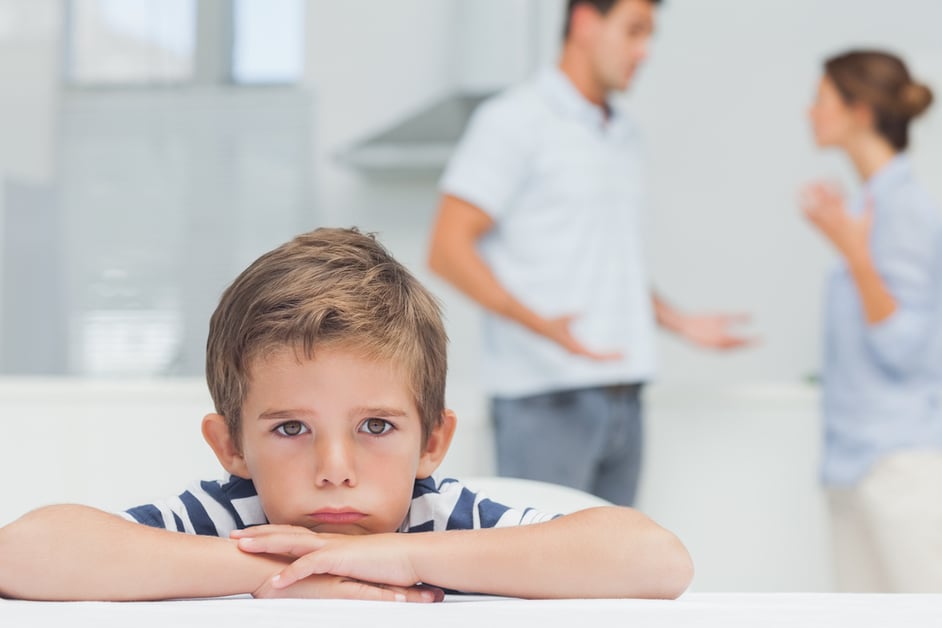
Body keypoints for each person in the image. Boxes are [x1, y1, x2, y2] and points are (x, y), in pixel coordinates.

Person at [0, 227, 693, 602]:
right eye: (291, 429)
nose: (335, 471)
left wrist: (402, 556)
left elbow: (655, 562)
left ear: (434, 442)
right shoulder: (232, 523)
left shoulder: (439, 520)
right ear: (231, 446)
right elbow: (21, 554)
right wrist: (286, 572)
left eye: (376, 427)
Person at [427, 0, 750, 507]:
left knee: (612, 576)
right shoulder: (514, 120)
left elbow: (607, 263)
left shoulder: (623, 134)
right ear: (583, 22)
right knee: (540, 571)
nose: (644, 51)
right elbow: (446, 248)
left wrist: (679, 322)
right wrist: (540, 323)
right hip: (546, 396)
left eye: (650, 36)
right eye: (634, 31)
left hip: (625, 392)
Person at [802, 49, 942, 592]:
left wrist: (856, 257)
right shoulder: (869, 205)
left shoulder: (902, 209)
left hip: (898, 468)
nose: (809, 112)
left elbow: (908, 348)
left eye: (820, 100)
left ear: (860, 111)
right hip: (853, 464)